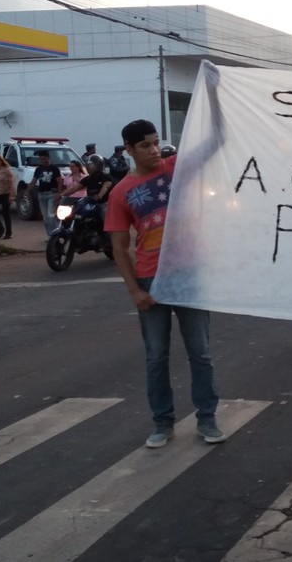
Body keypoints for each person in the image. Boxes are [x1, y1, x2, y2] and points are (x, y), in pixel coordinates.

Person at [106, 119, 225, 448]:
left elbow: (218, 139)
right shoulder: (121, 193)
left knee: (200, 353)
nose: (154, 150)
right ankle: (162, 422)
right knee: (156, 357)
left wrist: (214, 92)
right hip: (151, 279)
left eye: (156, 142)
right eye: (145, 145)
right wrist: (135, 290)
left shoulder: (178, 168)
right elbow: (119, 246)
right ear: (128, 150)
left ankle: (207, 419)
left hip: (189, 274)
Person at [30, 150, 61, 235]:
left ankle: (56, 234)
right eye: (41, 159)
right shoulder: (38, 169)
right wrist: (27, 191)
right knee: (45, 218)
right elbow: (34, 181)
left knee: (51, 216)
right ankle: (50, 236)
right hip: (41, 194)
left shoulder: (54, 169)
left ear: (48, 158)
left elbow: (59, 181)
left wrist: (59, 193)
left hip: (52, 194)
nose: (43, 160)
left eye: (44, 158)